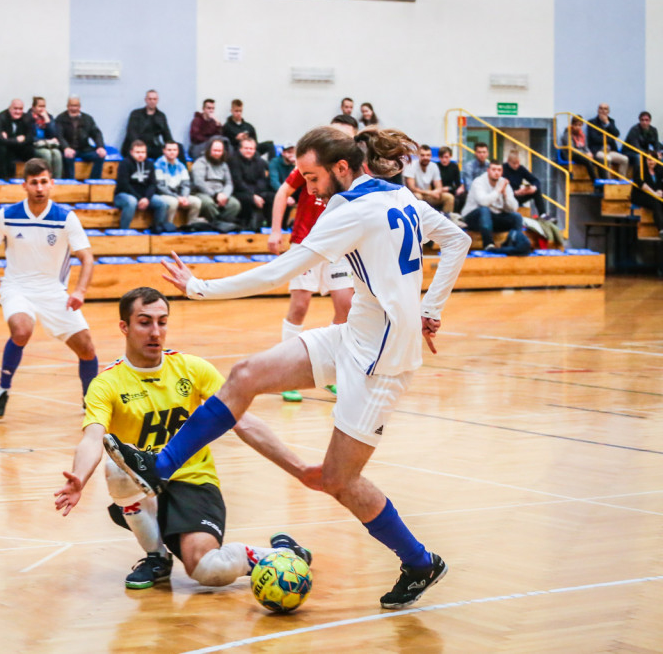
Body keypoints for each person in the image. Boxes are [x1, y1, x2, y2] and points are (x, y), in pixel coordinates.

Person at [103, 125, 471, 611]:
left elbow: (277, 272)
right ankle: (160, 466)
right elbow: (458, 239)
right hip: (356, 335)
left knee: (339, 482)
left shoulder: (354, 211)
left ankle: (421, 562)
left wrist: (199, 288)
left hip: (381, 361)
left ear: (342, 168)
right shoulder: (394, 197)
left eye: (313, 176)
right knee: (245, 375)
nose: (308, 186)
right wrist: (431, 308)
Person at [54, 287, 313, 589]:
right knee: (116, 466)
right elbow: (92, 438)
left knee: (208, 570)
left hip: (192, 481)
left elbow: (244, 423)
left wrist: (300, 469)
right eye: (144, 322)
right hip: (145, 487)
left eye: (162, 322)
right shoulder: (106, 384)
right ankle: (156, 558)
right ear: (124, 327)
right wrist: (80, 478)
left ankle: (282, 553)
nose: (155, 332)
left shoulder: (192, 369)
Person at [0, 158, 98, 419]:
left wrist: (80, 291)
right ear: (24, 186)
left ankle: (91, 402)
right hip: (16, 287)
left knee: (87, 348)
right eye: (34, 183)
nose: (39, 188)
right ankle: (2, 392)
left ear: (52, 184)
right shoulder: (6, 215)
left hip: (54, 291)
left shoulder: (66, 218)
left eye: (44, 182)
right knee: (22, 330)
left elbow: (87, 257)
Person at [267, 116, 359, 402]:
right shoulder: (311, 163)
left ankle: (332, 371)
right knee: (300, 305)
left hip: (339, 247)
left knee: (346, 305)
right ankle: (286, 374)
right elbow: (283, 191)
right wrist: (275, 230)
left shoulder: (352, 172)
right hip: (306, 241)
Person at [463, 159, 523, 250]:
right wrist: (498, 190)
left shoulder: (504, 183)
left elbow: (514, 208)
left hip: (492, 218)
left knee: (517, 217)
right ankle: (488, 244)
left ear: (502, 172)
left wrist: (505, 196)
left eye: (499, 170)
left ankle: (513, 244)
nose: (496, 172)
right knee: (484, 210)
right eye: (493, 169)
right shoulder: (479, 182)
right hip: (473, 218)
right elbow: (483, 202)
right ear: (488, 171)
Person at [114, 141, 172, 233]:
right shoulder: (124, 164)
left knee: (162, 203)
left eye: (143, 152)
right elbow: (124, 185)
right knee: (131, 202)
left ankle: (156, 229)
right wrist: (139, 198)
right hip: (123, 195)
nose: (141, 155)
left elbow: (153, 184)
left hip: (144, 196)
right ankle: (124, 231)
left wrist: (147, 199)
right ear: (131, 152)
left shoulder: (149, 164)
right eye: (138, 152)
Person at [191, 137, 240, 225]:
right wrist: (215, 195)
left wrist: (225, 195)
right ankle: (218, 223)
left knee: (235, 204)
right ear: (209, 150)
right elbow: (199, 182)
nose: (217, 153)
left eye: (219, 151)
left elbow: (229, 183)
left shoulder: (224, 165)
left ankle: (221, 223)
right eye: (215, 150)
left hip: (221, 193)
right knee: (208, 204)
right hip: (203, 193)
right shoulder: (200, 162)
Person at [56, 96, 107, 180]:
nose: (74, 108)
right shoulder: (61, 118)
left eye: (76, 106)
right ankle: (71, 182)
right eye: (71, 105)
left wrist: (100, 147)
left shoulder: (88, 119)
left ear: (80, 107)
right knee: (68, 157)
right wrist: (66, 148)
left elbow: (96, 134)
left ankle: (93, 181)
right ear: (67, 106)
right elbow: (59, 136)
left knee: (100, 156)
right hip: (68, 149)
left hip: (84, 149)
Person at [229, 137, 274, 230]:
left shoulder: (259, 162)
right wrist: (253, 195)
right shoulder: (233, 161)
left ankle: (271, 226)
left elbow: (262, 180)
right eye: (246, 148)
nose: (249, 151)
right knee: (248, 199)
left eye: (251, 149)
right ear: (240, 149)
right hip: (239, 192)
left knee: (272, 197)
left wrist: (257, 194)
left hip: (256, 191)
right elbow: (238, 182)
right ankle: (248, 227)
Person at [0, 99, 34, 180]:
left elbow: (30, 138)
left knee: (30, 150)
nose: (18, 111)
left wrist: (9, 140)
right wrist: (16, 140)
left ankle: (30, 178)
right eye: (15, 108)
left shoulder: (27, 118)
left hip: (16, 147)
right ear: (9, 108)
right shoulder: (0, 117)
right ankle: (2, 179)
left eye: (20, 109)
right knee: (3, 149)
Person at [155, 141, 201, 227]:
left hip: (179, 195)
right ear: (164, 151)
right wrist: (177, 197)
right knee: (173, 202)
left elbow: (186, 184)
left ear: (178, 151)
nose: (172, 152)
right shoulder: (158, 165)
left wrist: (184, 197)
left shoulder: (181, 165)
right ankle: (168, 226)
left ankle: (191, 226)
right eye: (169, 150)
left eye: (174, 150)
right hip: (163, 194)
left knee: (196, 202)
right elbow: (160, 187)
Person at [123, 90, 176, 160]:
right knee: (140, 152)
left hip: (153, 146)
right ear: (146, 100)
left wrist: (172, 146)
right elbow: (131, 133)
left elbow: (166, 134)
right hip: (137, 146)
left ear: (157, 100)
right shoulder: (136, 114)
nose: (152, 101)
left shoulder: (161, 116)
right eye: (150, 99)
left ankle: (183, 170)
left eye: (154, 99)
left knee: (178, 148)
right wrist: (140, 147)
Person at [405, 144, 452, 214]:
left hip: (428, 195)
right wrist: (430, 192)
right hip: (413, 195)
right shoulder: (411, 165)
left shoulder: (434, 166)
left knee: (449, 197)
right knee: (418, 196)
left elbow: (439, 185)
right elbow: (412, 188)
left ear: (431, 156)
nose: (425, 157)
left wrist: (437, 191)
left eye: (428, 155)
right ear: (418, 155)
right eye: (422, 155)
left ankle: (446, 219)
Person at [587, 103, 628, 177]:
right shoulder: (592, 122)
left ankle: (622, 181)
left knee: (625, 159)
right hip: (598, 151)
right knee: (607, 159)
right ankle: (608, 182)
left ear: (608, 111)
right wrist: (609, 138)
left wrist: (607, 123)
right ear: (598, 110)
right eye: (601, 108)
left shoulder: (611, 121)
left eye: (605, 109)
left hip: (610, 150)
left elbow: (616, 134)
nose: (603, 111)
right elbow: (594, 138)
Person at [502, 149, 547, 217]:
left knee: (537, 191)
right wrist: (515, 192)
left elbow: (536, 180)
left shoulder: (521, 169)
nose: (516, 165)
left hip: (518, 195)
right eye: (514, 163)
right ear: (508, 161)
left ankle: (543, 214)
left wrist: (533, 187)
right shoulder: (502, 169)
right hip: (506, 197)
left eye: (518, 163)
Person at [26, 96, 63, 179]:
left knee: (57, 154)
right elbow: (30, 136)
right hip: (35, 146)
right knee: (46, 154)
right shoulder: (27, 118)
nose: (42, 109)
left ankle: (57, 180)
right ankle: (46, 179)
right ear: (33, 107)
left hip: (48, 145)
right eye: (40, 106)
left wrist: (47, 121)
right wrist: (43, 141)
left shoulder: (49, 117)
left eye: (44, 106)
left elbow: (53, 134)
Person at [630, 156, 663, 238]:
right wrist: (654, 193)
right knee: (655, 201)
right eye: (649, 160)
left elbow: (660, 185)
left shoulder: (659, 170)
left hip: (653, 195)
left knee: (658, 201)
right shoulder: (640, 170)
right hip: (640, 195)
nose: (651, 162)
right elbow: (641, 184)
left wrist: (660, 191)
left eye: (653, 160)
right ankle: (661, 229)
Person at [560, 117, 600, 184]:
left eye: (579, 125)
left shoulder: (582, 134)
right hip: (572, 155)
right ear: (572, 125)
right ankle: (595, 181)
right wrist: (585, 154)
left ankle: (604, 181)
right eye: (576, 125)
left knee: (599, 160)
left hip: (582, 153)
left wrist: (588, 152)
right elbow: (572, 149)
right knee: (588, 161)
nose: (577, 127)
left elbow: (585, 146)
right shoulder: (567, 134)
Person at [458, 141, 490, 212]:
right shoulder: (469, 166)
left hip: (487, 193)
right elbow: (469, 186)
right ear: (475, 153)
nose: (482, 154)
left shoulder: (490, 166)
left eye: (484, 152)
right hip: (472, 194)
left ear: (487, 154)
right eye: (479, 152)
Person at [436, 147, 462, 212]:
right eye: (442, 157)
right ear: (439, 157)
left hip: (450, 190)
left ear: (450, 156)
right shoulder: (435, 166)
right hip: (437, 191)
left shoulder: (454, 167)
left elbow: (458, 184)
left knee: (460, 198)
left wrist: (449, 188)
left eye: (446, 157)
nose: (444, 160)